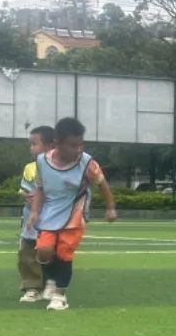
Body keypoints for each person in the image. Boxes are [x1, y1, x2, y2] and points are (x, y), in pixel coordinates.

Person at [27, 118, 117, 311]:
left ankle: (60, 295)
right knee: (43, 251)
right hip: (49, 213)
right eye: (73, 145)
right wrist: (34, 212)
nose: (78, 149)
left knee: (64, 253)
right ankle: (51, 280)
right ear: (57, 143)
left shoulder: (87, 162)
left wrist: (110, 207)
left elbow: (102, 184)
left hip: (75, 214)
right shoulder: (42, 162)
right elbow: (40, 189)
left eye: (80, 144)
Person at [17, 125, 55, 302]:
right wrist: (27, 196)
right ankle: (32, 287)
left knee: (50, 253)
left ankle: (51, 284)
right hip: (31, 220)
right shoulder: (29, 168)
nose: (31, 148)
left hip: (52, 219)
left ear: (49, 146)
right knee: (27, 253)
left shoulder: (60, 167)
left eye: (34, 144)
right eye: (30, 144)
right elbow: (24, 190)